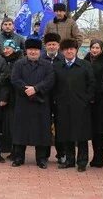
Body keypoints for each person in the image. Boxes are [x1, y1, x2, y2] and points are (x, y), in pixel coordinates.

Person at [11, 38, 54, 169]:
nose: (33, 52)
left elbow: (50, 80)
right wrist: (26, 89)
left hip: (41, 103)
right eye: (30, 49)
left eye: (35, 50)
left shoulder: (47, 65)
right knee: (20, 132)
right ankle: (18, 158)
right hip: (23, 102)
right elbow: (15, 79)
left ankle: (41, 159)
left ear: (40, 51)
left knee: (41, 132)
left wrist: (35, 89)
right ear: (26, 51)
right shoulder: (19, 64)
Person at [53, 38, 95, 172]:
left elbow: (92, 84)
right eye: (66, 49)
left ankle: (82, 161)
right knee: (66, 134)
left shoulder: (85, 65)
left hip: (81, 106)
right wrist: (56, 100)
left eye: (72, 49)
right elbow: (53, 85)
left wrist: (86, 100)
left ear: (76, 50)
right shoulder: (57, 66)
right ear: (62, 51)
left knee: (81, 135)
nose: (69, 51)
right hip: (63, 106)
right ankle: (69, 160)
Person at [83, 39, 103, 168]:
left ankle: (99, 156)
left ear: (102, 49)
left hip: (101, 100)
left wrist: (96, 94)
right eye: (93, 47)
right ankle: (94, 155)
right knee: (92, 129)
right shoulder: (85, 60)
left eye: (97, 48)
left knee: (100, 130)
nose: (94, 50)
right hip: (88, 100)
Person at [41, 32, 65, 164]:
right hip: (44, 98)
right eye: (49, 44)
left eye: (54, 44)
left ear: (58, 46)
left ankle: (61, 153)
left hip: (59, 98)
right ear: (46, 46)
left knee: (60, 127)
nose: (51, 47)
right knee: (45, 126)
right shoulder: (41, 59)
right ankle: (44, 155)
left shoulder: (63, 59)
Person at [0, 40, 23, 158]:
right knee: (8, 126)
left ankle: (17, 151)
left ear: (14, 49)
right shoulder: (2, 60)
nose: (6, 50)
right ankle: (11, 150)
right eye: (4, 48)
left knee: (15, 126)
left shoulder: (19, 61)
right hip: (6, 98)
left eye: (8, 48)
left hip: (16, 98)